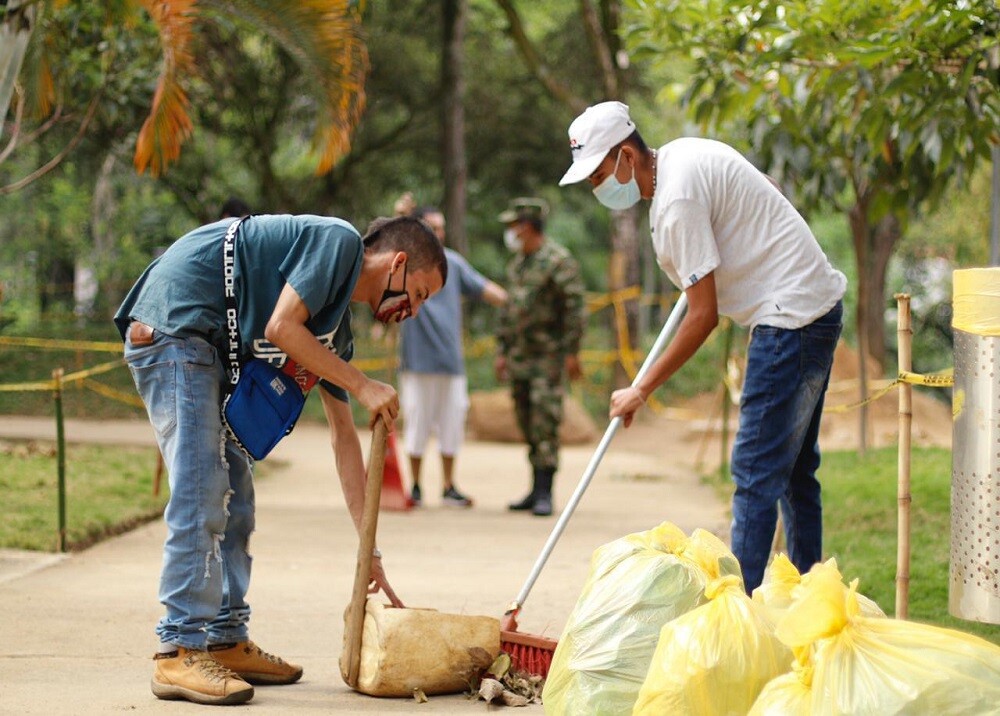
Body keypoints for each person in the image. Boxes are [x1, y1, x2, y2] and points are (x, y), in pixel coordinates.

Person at [114, 213, 447, 706]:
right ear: (397, 263)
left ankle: (225, 641)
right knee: (203, 488)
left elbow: (343, 439)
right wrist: (362, 383)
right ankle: (178, 649)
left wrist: (368, 550)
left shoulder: (335, 329)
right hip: (174, 328)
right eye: (418, 294)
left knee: (237, 500)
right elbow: (281, 327)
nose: (413, 311)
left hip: (209, 349)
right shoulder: (338, 243)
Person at [558, 101, 846, 592]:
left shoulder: (676, 200)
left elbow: (703, 315)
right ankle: (809, 602)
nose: (596, 187)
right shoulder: (683, 158)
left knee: (755, 472)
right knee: (795, 474)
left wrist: (640, 389)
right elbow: (762, 198)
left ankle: (737, 613)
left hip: (789, 320)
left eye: (598, 173)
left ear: (626, 155)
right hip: (812, 307)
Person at [397, 201, 508, 508]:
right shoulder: (402, 262)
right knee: (417, 422)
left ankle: (448, 486)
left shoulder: (453, 264)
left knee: (451, 425)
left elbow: (487, 289)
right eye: (432, 227)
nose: (439, 233)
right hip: (417, 361)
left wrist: (519, 302)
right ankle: (416, 485)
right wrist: (399, 218)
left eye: (441, 227)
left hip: (451, 362)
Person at [495, 198, 586, 517]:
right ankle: (535, 489)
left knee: (545, 421)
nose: (510, 232)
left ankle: (546, 491)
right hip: (519, 355)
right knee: (526, 420)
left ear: (527, 226)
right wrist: (502, 351)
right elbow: (508, 311)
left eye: (513, 226)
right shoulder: (518, 264)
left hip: (547, 356)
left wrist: (572, 352)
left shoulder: (558, 261)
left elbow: (575, 307)